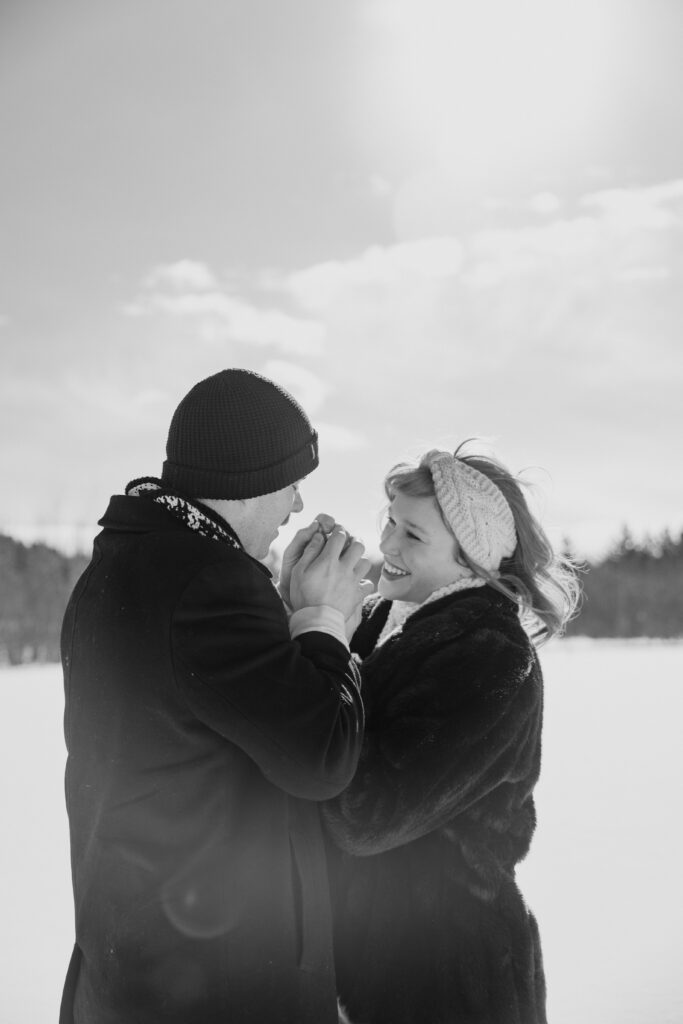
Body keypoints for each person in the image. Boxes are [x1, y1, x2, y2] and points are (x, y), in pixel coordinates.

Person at [60, 368, 371, 1024]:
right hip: (216, 984)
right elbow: (319, 757)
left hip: (135, 969)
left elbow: (216, 706)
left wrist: (281, 612)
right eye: (291, 484)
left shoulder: (127, 561)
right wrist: (325, 620)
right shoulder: (209, 583)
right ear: (250, 481)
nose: (293, 507)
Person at [323, 443, 580, 1024]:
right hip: (369, 965)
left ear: (471, 563)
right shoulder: (383, 623)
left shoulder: (488, 655)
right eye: (390, 522)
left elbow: (367, 813)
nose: (386, 545)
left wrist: (322, 644)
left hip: (448, 980)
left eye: (413, 536)